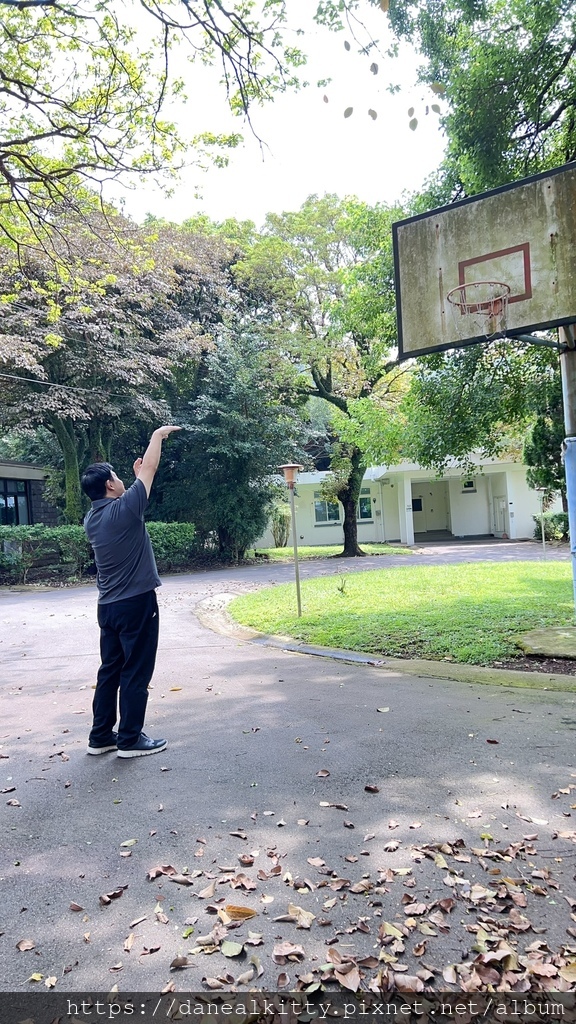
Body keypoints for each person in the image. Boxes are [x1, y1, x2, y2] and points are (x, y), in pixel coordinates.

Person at [80, 425, 181, 758]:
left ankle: (101, 737)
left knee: (110, 670)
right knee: (136, 669)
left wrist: (135, 481)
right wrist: (157, 436)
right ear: (110, 484)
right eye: (117, 476)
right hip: (136, 604)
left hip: (107, 607)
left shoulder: (91, 519)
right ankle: (130, 739)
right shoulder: (125, 510)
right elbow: (150, 469)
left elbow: (138, 483)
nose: (123, 479)